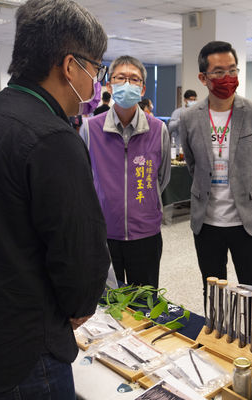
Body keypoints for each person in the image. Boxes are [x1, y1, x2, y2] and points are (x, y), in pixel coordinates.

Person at [0, 0, 112, 398]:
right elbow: (77, 249)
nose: (96, 81)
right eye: (96, 68)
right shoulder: (53, 138)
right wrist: (82, 302)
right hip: (27, 349)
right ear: (70, 66)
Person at [179, 41, 252, 316]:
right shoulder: (189, 118)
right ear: (203, 78)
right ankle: (217, 337)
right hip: (207, 221)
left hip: (247, 220)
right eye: (219, 72)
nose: (227, 78)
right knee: (212, 288)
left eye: (232, 70)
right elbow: (192, 162)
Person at [80, 55, 170, 288]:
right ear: (109, 85)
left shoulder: (158, 129)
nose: (128, 84)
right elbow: (83, 180)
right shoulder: (91, 128)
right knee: (108, 306)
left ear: (142, 89)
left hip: (146, 234)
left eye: (134, 79)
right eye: (121, 78)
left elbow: (162, 177)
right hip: (104, 234)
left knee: (145, 304)